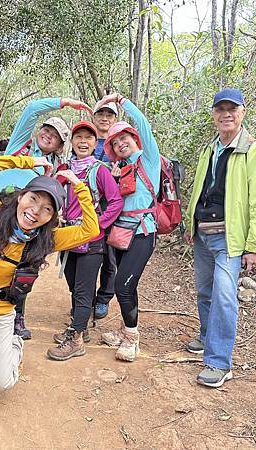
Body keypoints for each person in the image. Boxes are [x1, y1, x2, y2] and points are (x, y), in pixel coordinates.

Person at [0, 154, 99, 440]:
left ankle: (14, 347)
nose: (36, 211)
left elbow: (91, 230)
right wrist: (27, 162)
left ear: (52, 218)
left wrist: (79, 185)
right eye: (33, 199)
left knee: (2, 383)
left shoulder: (46, 240)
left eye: (47, 209)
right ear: (21, 196)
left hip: (0, 311)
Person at [184, 88, 256, 388]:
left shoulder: (252, 150)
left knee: (223, 296)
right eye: (220, 109)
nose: (226, 114)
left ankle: (219, 362)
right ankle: (207, 336)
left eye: (232, 109)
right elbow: (199, 189)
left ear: (242, 112)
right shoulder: (210, 149)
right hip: (203, 234)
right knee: (205, 292)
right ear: (213, 115)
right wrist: (189, 223)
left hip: (230, 238)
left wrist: (253, 245)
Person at [0, 97, 92, 340]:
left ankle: (17, 314)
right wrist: (66, 103)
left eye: (55, 135)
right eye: (46, 129)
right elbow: (31, 110)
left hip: (31, 223)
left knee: (25, 267)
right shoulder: (20, 146)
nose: (48, 135)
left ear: (60, 144)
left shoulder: (58, 168)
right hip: (0, 214)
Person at [47, 121, 123, 361]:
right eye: (78, 137)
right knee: (74, 285)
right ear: (72, 141)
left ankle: (77, 338)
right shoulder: (64, 168)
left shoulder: (99, 170)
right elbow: (53, 195)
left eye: (88, 138)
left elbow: (115, 201)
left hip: (92, 240)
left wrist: (98, 225)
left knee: (82, 288)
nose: (83, 141)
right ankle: (80, 325)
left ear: (94, 143)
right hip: (69, 237)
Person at [95, 93, 161, 362]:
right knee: (127, 286)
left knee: (122, 285)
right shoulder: (119, 169)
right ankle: (126, 331)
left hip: (142, 232)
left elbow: (143, 123)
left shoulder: (149, 160)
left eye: (125, 138)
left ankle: (132, 338)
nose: (121, 144)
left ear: (135, 139)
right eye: (115, 142)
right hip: (120, 233)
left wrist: (121, 101)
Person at [90, 102, 119, 320]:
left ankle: (103, 298)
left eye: (110, 114)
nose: (105, 118)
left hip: (112, 208)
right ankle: (85, 298)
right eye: (101, 113)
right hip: (86, 209)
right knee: (85, 255)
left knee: (110, 257)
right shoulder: (86, 141)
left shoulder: (119, 144)